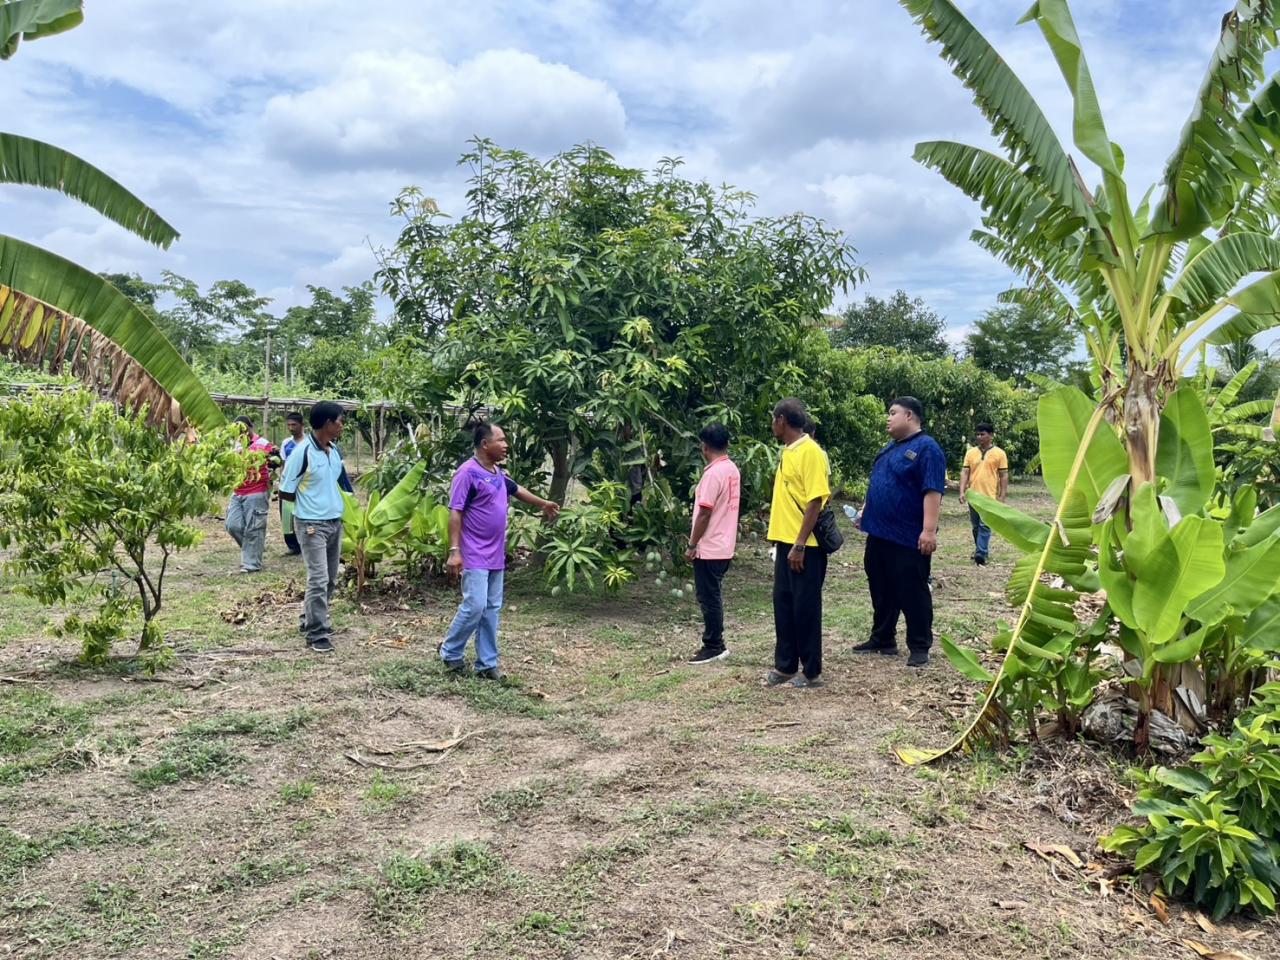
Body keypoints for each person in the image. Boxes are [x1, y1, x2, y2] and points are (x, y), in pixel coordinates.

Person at [440, 422, 560, 679]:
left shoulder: (497, 472)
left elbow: (516, 490)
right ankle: (450, 652)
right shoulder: (467, 473)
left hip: (495, 553)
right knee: (475, 606)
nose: (506, 445)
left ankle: (486, 664)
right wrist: (454, 550)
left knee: (492, 609)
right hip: (473, 552)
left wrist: (543, 504)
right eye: (501, 440)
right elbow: (455, 512)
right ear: (485, 444)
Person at [853, 397, 946, 667]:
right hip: (879, 533)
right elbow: (880, 483)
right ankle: (883, 638)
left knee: (912, 590)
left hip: (907, 536)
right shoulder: (890, 448)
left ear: (909, 416)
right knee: (880, 587)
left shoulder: (927, 448)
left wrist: (928, 531)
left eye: (892, 413)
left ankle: (919, 646)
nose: (888, 418)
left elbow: (932, 491)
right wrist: (865, 512)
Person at [764, 398, 831, 688]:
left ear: (781, 420)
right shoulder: (788, 451)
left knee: (805, 607)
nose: (772, 425)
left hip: (805, 545)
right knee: (784, 603)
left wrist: (800, 543)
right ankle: (786, 665)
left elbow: (815, 499)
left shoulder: (811, 452)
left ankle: (811, 670)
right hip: (784, 540)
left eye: (773, 419)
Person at [279, 402, 348, 654]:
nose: (342, 425)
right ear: (327, 423)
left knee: (330, 578)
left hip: (334, 521)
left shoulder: (334, 450)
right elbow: (286, 491)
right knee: (318, 579)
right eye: (339, 421)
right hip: (311, 525)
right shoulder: (303, 452)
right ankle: (316, 632)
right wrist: (309, 508)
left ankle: (309, 619)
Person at [684, 423, 740, 664]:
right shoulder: (731, 469)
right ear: (726, 444)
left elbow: (705, 513)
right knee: (712, 594)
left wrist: (692, 543)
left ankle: (714, 644)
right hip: (725, 543)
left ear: (704, 447)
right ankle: (714, 642)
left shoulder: (712, 474)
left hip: (709, 546)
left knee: (709, 597)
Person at [225, 416, 279, 574]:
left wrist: (274, 460)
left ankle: (251, 564)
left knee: (254, 528)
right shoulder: (234, 446)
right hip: (238, 491)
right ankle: (254, 550)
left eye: (244, 428)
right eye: (237, 429)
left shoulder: (263, 444)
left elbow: (275, 461)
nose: (241, 432)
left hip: (256, 491)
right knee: (232, 525)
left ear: (251, 427)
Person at [958, 422, 1009, 565]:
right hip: (973, 495)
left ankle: (981, 553)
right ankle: (980, 550)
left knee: (985, 525)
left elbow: (1004, 475)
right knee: (975, 526)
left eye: (983, 434)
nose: (979, 437)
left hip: (990, 496)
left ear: (991, 435)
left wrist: (1002, 495)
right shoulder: (971, 452)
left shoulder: (999, 453)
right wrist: (962, 491)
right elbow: (965, 472)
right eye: (978, 434)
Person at [279, 411, 306, 556]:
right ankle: (293, 546)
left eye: (294, 425)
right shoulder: (286, 443)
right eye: (288, 425)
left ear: (302, 425)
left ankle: (306, 542)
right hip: (287, 484)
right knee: (286, 516)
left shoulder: (309, 442)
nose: (291, 428)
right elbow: (283, 464)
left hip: (304, 484)